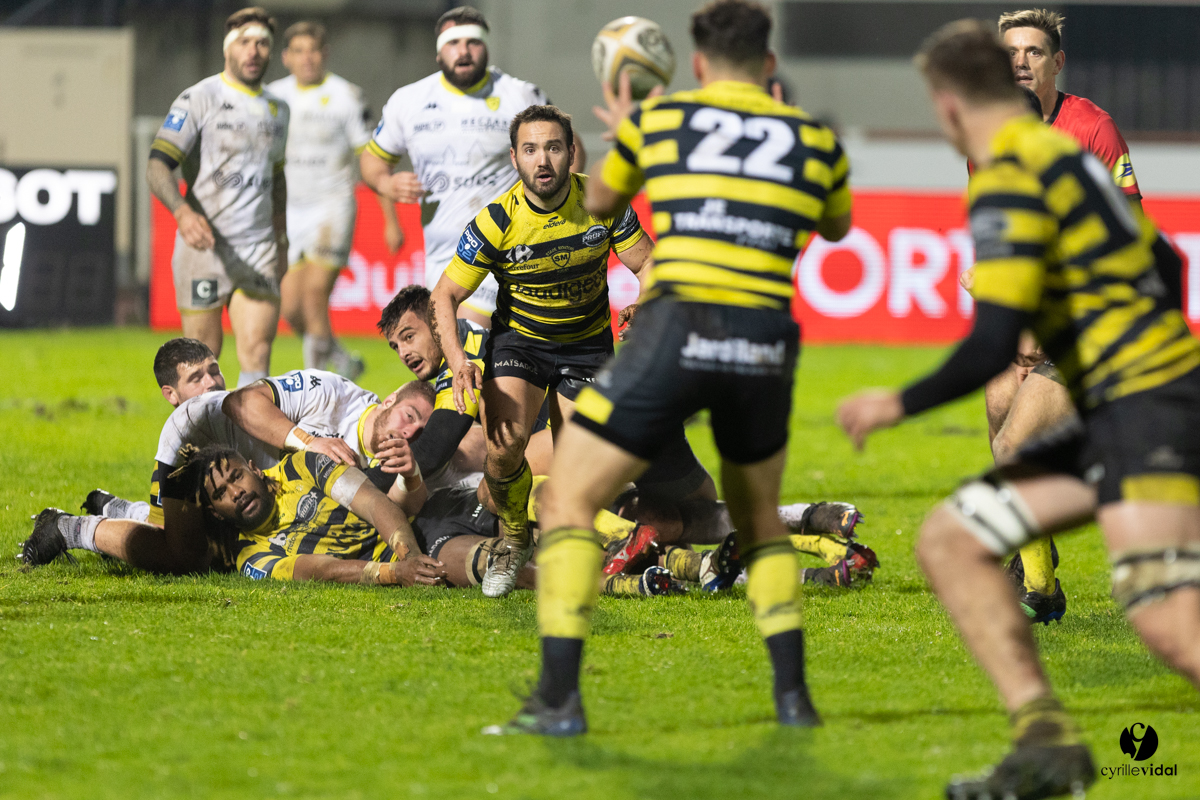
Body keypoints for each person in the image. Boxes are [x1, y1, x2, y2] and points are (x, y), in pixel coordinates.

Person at [837, 20, 1200, 799]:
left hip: (1139, 403)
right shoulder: (1058, 158)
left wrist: (896, 401)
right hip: (1145, 390)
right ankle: (1046, 740)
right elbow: (1168, 264)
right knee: (958, 540)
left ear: (952, 101)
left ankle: (1044, 698)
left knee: (1167, 624)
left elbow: (988, 344)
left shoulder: (1018, 166)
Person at [489, 0, 853, 735]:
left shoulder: (663, 122)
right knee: (756, 515)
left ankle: (559, 700)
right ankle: (793, 699)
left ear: (697, 65)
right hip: (762, 343)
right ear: (769, 64)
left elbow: (598, 199)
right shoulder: (813, 138)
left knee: (566, 499)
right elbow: (837, 225)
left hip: (678, 331)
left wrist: (627, 133)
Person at [430, 104, 654, 599]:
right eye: (530, 149)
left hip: (587, 347)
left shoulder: (601, 201)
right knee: (503, 446)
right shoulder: (496, 220)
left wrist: (646, 302)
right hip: (521, 344)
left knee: (582, 467)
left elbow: (648, 264)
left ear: (572, 153)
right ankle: (513, 540)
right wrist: (458, 361)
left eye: (553, 147)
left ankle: (585, 537)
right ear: (514, 158)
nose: (543, 160)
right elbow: (444, 295)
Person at [974, 8, 1148, 622]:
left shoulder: (1093, 129)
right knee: (1000, 409)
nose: (1020, 63)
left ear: (1058, 63)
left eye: (1034, 52)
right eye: (1010, 53)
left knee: (1016, 445)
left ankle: (1041, 591)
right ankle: (1033, 550)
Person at [22, 374, 432, 576]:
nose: (410, 431)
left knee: (218, 544)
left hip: (242, 473)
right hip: (193, 437)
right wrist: (307, 441)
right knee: (185, 555)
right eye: (409, 416)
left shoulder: (394, 449)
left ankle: (119, 508)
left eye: (421, 429)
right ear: (389, 400)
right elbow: (239, 403)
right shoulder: (331, 393)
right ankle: (69, 528)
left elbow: (395, 502)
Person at [359, 6, 584, 328]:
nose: (463, 51)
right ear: (439, 52)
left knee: (468, 335)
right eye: (453, 43)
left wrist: (556, 207)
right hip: (441, 254)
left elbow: (572, 147)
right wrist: (385, 183)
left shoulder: (519, 95)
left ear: (486, 47)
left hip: (504, 246)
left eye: (473, 42)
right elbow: (372, 160)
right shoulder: (408, 101)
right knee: (447, 351)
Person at [147, 7, 290, 387]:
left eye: (262, 43)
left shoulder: (279, 109)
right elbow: (157, 166)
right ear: (228, 49)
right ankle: (199, 427)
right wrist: (182, 213)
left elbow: (277, 179)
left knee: (257, 353)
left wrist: (282, 239)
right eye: (244, 42)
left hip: (258, 247)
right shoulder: (199, 98)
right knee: (200, 361)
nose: (253, 51)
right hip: (205, 248)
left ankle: (248, 426)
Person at [173, 446, 445, 587]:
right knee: (455, 565)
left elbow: (372, 502)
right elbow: (321, 571)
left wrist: (410, 558)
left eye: (236, 476)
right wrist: (397, 573)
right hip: (390, 566)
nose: (236, 493)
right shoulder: (252, 559)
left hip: (410, 534)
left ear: (254, 469)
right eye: (221, 493)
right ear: (215, 512)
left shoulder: (299, 466)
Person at [268, 21, 374, 379]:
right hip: (288, 210)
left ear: (324, 54)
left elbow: (368, 155)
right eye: (299, 51)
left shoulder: (346, 95)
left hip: (332, 206)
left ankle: (315, 384)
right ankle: (342, 361)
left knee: (314, 296)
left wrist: (389, 214)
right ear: (286, 57)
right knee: (290, 308)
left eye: (313, 50)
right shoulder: (273, 96)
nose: (307, 58)